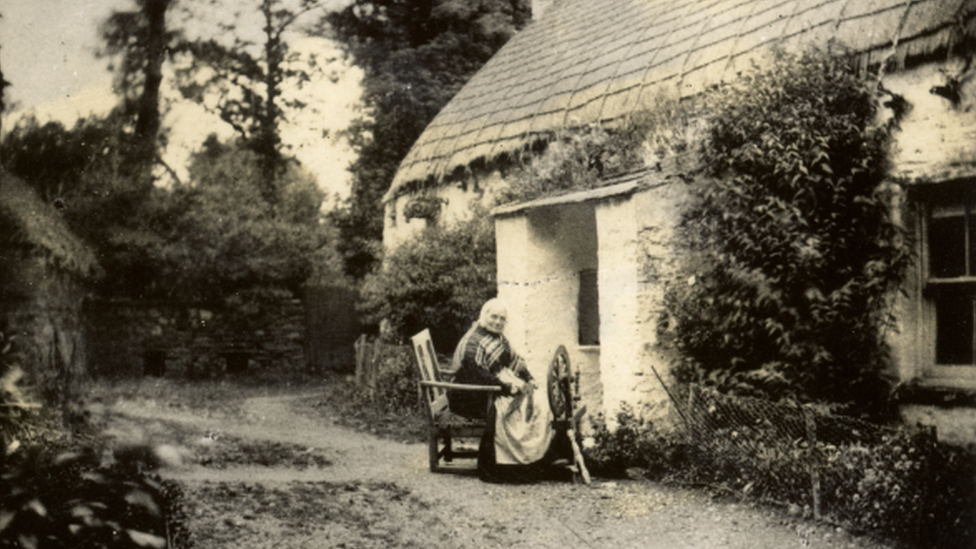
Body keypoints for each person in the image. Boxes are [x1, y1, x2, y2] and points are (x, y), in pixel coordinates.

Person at [448, 298, 570, 483]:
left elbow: (514, 360)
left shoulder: (496, 337)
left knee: (535, 401)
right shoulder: (473, 342)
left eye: (502, 319)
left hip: (490, 388)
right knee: (516, 410)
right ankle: (509, 465)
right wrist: (505, 387)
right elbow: (475, 373)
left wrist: (528, 378)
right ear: (484, 315)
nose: (497, 322)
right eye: (494, 317)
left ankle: (536, 457)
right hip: (470, 396)